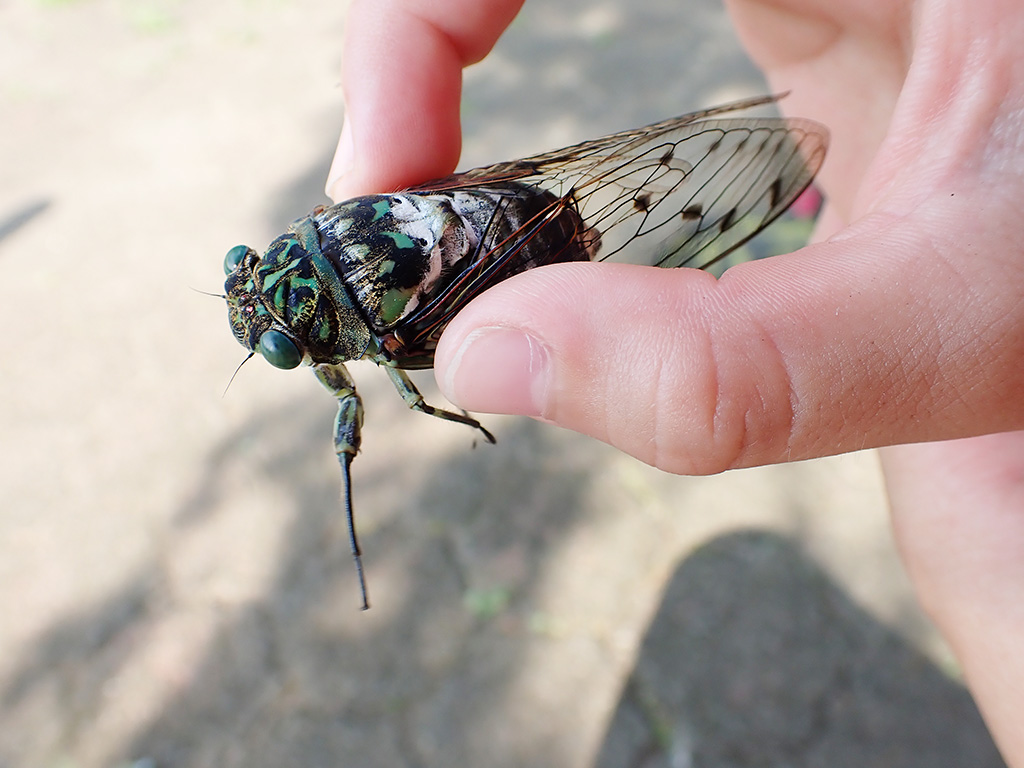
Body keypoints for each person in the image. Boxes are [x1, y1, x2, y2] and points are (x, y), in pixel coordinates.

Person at [326, 1, 1024, 762]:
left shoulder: (375, 343)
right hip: (501, 207)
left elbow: (413, 388)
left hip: (524, 240)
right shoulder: (341, 270)